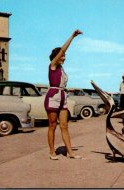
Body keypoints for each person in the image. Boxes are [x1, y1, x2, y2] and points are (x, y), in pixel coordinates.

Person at [44, 29, 82, 160]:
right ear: (57, 56)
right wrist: (72, 36)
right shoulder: (52, 65)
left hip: (62, 97)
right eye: (63, 55)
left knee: (64, 126)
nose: (65, 57)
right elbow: (63, 50)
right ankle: (51, 152)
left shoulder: (61, 69)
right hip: (53, 96)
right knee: (52, 125)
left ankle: (70, 152)